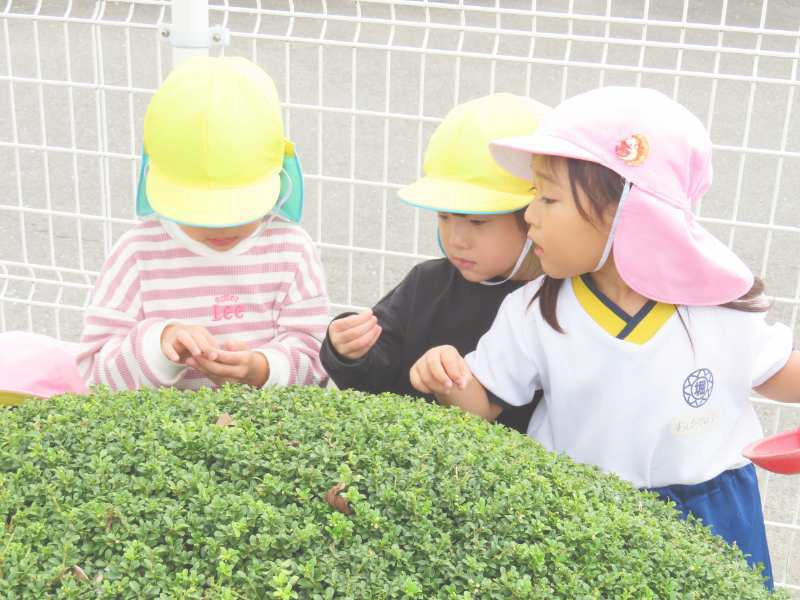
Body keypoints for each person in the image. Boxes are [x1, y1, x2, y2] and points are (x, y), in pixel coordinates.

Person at [409, 86, 799, 588]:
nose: (529, 215)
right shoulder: (535, 310)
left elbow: (777, 372)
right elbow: (484, 403)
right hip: (582, 511)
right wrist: (449, 375)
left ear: (626, 210)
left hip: (712, 512)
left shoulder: (715, 304)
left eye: (548, 198)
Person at [78, 56, 329, 390]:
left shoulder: (290, 250)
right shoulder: (138, 253)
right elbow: (94, 373)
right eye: (198, 210)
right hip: (158, 425)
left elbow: (317, 361)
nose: (220, 227)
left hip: (264, 423)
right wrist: (160, 344)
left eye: (239, 208)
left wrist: (261, 369)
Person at [320, 93, 549, 434]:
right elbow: (374, 376)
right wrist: (349, 352)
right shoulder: (426, 283)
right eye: (444, 217)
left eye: (477, 221)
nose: (456, 239)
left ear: (533, 215)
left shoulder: (553, 302)